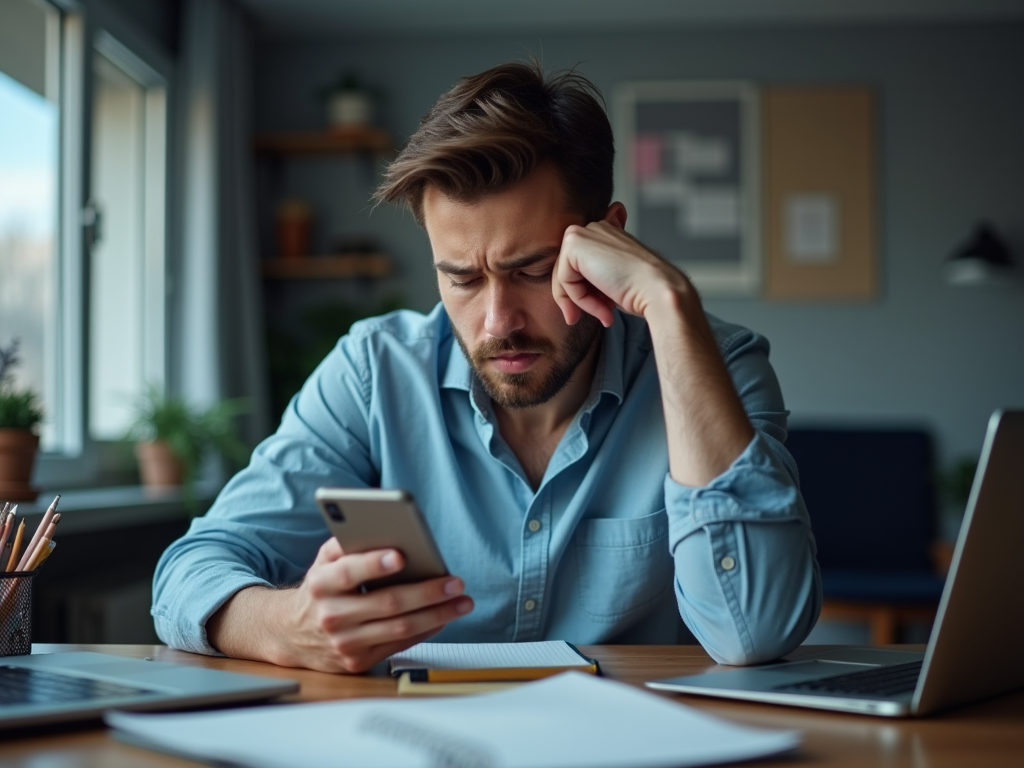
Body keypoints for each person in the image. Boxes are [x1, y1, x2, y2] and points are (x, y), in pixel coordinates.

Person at [153, 61, 820, 674]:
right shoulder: (374, 372)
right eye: (462, 279)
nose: (498, 322)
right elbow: (189, 571)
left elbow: (754, 630)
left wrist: (671, 307)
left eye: (531, 271)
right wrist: (284, 625)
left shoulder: (716, 365)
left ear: (609, 239)